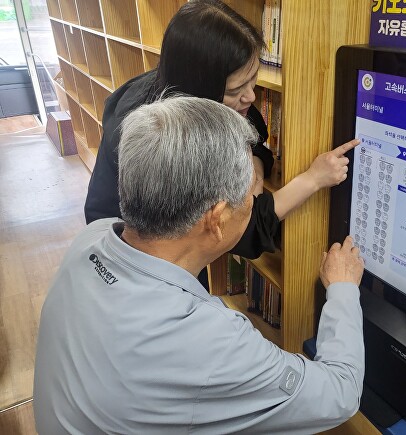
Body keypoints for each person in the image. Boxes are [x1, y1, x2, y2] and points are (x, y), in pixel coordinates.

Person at [34, 96, 365, 434]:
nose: (254, 202)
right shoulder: (208, 342)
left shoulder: (91, 238)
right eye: (250, 195)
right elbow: (340, 393)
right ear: (217, 219)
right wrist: (342, 289)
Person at [84, 0, 357, 290]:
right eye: (236, 90)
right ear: (201, 90)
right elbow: (242, 232)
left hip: (112, 247)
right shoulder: (180, 148)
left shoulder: (166, 82)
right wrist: (313, 179)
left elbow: (250, 123)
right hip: (145, 272)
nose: (251, 97)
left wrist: (255, 163)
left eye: (253, 79)